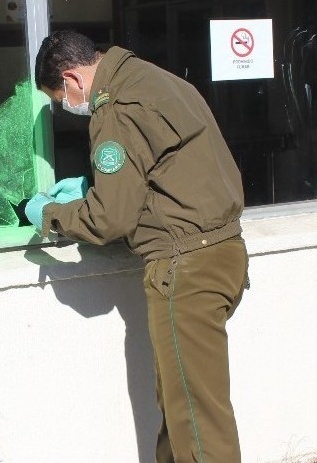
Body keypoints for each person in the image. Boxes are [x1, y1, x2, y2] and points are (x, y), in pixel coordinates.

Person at [26, 30, 249, 462]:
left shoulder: (117, 109)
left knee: (198, 424)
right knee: (180, 406)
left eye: (59, 98)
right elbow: (165, 168)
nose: (66, 106)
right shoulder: (155, 79)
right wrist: (94, 186)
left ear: (73, 78)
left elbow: (110, 218)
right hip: (224, 253)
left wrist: (52, 216)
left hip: (186, 267)